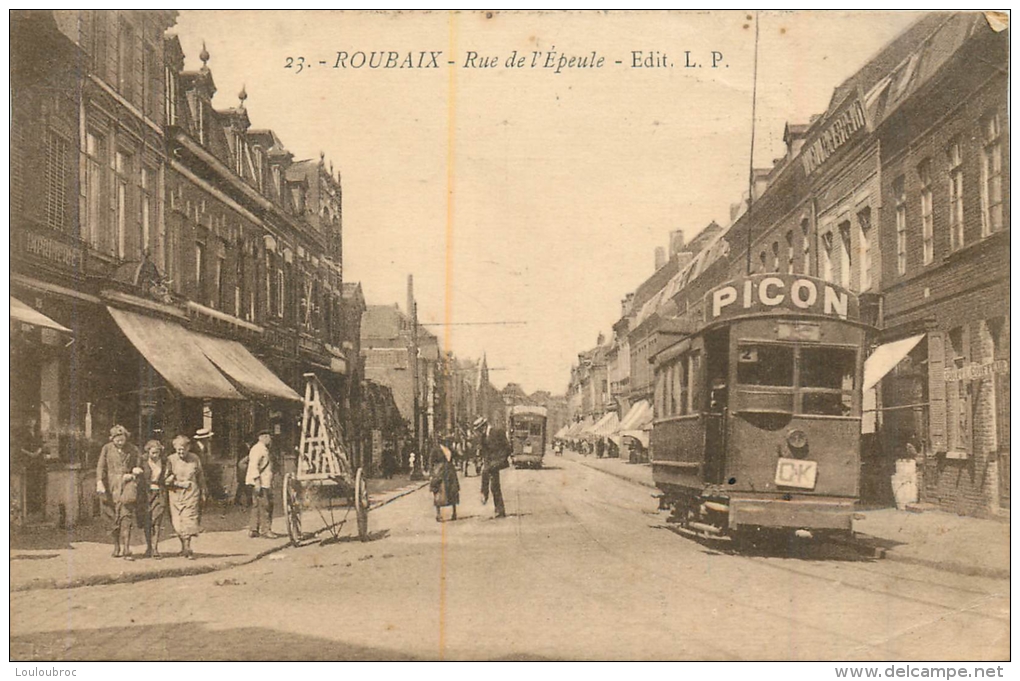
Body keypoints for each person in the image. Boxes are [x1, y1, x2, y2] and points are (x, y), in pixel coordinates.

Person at [96, 425, 143, 560]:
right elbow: (101, 467)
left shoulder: (133, 449)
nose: (120, 442)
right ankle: (116, 546)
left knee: (126, 516)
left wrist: (134, 473)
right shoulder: (106, 449)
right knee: (111, 518)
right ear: (112, 439)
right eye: (117, 440)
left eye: (122, 439)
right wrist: (99, 481)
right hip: (110, 488)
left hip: (127, 486)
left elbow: (139, 464)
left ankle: (127, 549)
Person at [167, 434, 207, 559]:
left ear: (188, 448)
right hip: (175, 493)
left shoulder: (195, 458)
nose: (180, 452)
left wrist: (204, 491)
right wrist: (175, 482)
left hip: (191, 492)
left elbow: (200, 475)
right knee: (177, 523)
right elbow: (165, 478)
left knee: (189, 520)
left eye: (183, 449)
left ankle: (187, 548)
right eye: (178, 449)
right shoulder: (170, 459)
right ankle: (183, 546)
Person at [246, 429, 279, 539]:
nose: (270, 440)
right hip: (261, 482)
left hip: (262, 481)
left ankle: (254, 529)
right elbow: (253, 466)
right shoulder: (258, 449)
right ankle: (266, 530)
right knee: (266, 506)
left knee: (256, 505)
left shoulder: (262, 448)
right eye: (269, 437)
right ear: (263, 437)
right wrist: (257, 481)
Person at [140, 440, 168, 559]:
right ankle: (148, 547)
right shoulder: (142, 462)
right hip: (146, 494)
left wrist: (169, 477)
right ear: (148, 451)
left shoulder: (165, 462)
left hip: (159, 493)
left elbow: (170, 473)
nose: (155, 455)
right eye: (153, 453)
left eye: (157, 453)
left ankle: (155, 548)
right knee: (147, 521)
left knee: (157, 521)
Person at [478, 421, 511, 518]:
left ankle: (485, 495)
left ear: (484, 426)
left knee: (493, 483)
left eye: (480, 429)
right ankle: (499, 509)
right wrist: (480, 460)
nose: (480, 432)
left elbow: (507, 447)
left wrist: (500, 459)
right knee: (494, 485)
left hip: (497, 461)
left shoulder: (497, 432)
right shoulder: (483, 436)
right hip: (489, 462)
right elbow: (483, 449)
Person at [430, 443, 460, 522]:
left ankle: (454, 512)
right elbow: (431, 461)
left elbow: (457, 455)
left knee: (453, 491)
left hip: (450, 471)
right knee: (439, 492)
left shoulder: (450, 448)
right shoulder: (436, 449)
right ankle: (438, 514)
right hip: (440, 472)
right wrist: (432, 473)